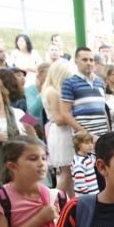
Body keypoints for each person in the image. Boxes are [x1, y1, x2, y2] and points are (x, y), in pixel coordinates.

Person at [42, 59, 76, 193]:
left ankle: (71, 204)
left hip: (61, 133)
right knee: (66, 174)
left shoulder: (49, 90)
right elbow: (59, 119)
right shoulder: (53, 92)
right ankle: (55, 203)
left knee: (69, 174)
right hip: (62, 134)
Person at [60, 48, 109, 139]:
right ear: (76, 61)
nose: (89, 63)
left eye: (91, 60)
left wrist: (108, 132)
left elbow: (103, 110)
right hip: (84, 139)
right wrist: (86, 134)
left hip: (102, 135)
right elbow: (65, 113)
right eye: (84, 60)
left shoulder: (100, 82)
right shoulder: (69, 83)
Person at [70, 130, 98, 195]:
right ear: (79, 145)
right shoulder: (79, 162)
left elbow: (95, 159)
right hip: (86, 196)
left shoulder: (88, 157)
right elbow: (80, 183)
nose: (91, 145)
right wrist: (88, 194)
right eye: (87, 143)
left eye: (91, 143)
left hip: (93, 194)